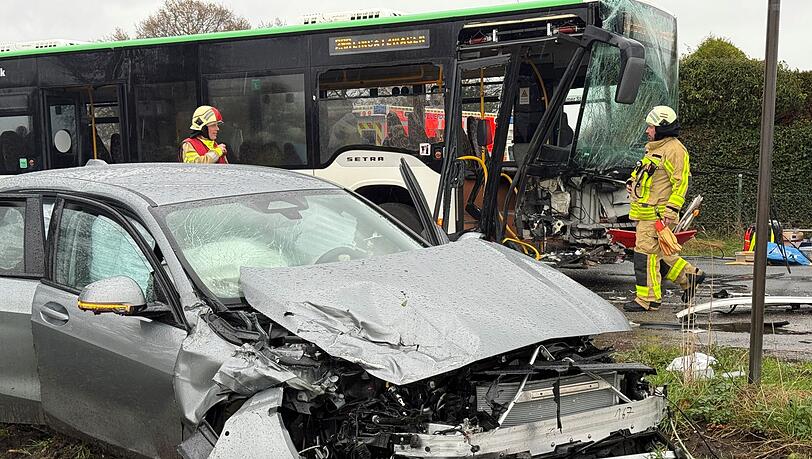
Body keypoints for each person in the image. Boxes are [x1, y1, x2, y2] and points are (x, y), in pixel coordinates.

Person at [624, 105, 706, 312]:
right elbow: (644, 174)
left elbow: (681, 183)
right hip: (647, 213)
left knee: (644, 256)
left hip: (657, 215)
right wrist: (631, 182)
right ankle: (690, 277)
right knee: (660, 256)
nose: (647, 130)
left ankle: (648, 300)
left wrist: (671, 210)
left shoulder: (675, 150)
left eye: (651, 127)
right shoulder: (655, 148)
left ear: (661, 128)